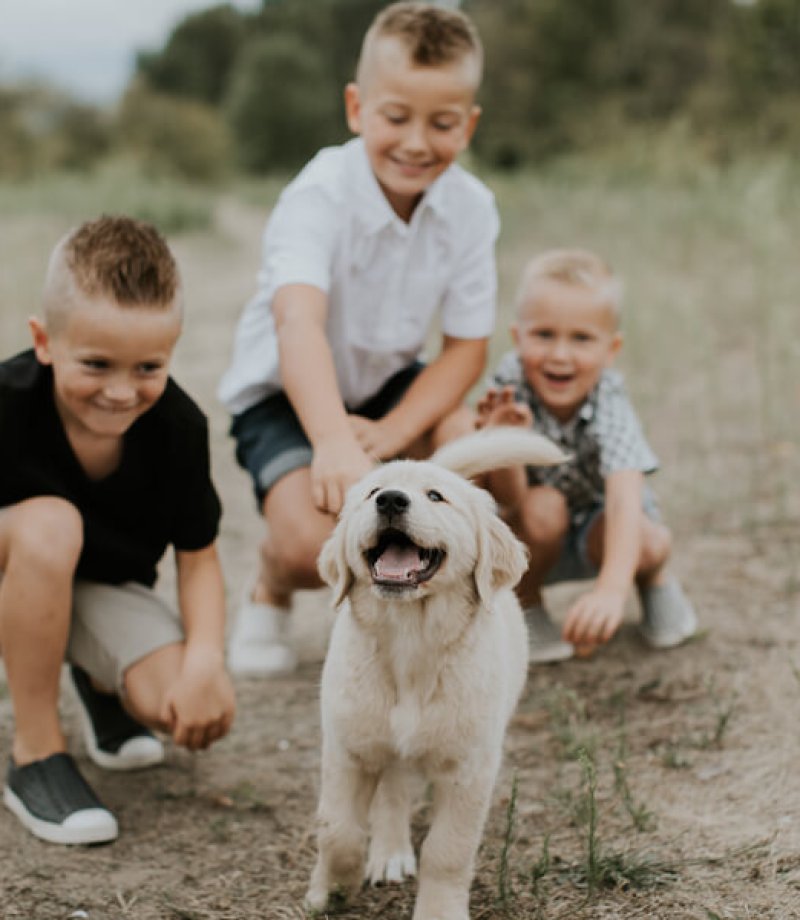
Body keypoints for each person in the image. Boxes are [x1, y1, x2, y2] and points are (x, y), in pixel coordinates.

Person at [219, 1, 498, 675]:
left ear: (469, 123)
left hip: (389, 383)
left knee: (473, 453)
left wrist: (398, 429)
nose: (416, 142)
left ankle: (451, 629)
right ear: (356, 107)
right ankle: (270, 584)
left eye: (442, 123)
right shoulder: (319, 193)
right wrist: (334, 442)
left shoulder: (470, 206)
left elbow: (466, 346)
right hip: (289, 390)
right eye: (395, 117)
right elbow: (298, 323)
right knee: (314, 544)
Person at [0, 216, 235, 846]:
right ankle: (36, 753)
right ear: (44, 341)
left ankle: (100, 683)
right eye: (97, 364)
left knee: (173, 704)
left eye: (148, 367)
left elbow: (199, 558)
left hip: (89, 589)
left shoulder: (179, 428)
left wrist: (206, 663)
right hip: (13, 566)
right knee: (51, 523)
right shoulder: (6, 402)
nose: (122, 392)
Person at [477, 248, 697, 663]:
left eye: (581, 338)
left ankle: (653, 581)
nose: (560, 355)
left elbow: (624, 496)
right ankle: (527, 603)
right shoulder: (509, 383)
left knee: (647, 541)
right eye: (544, 334)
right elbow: (507, 497)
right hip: (539, 531)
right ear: (517, 336)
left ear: (611, 348)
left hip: (607, 527)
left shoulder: (609, 396)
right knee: (542, 506)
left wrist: (611, 591)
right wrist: (503, 443)